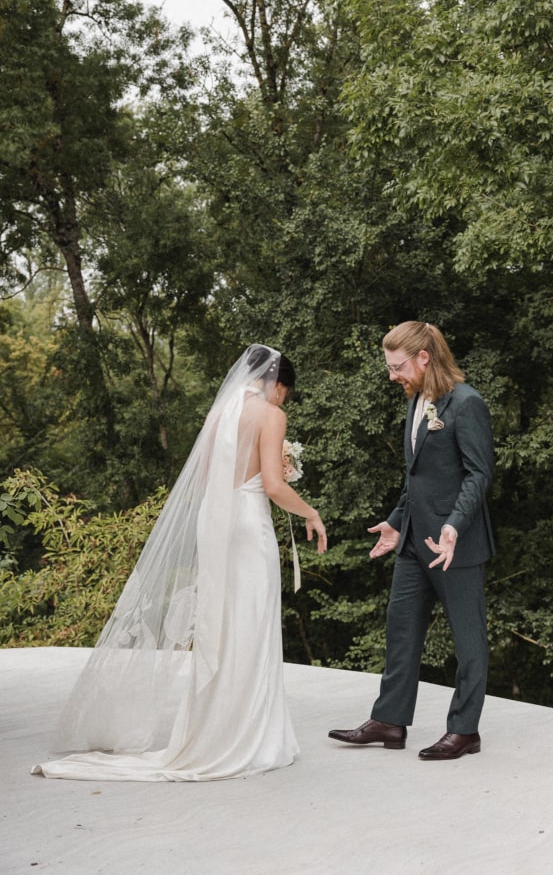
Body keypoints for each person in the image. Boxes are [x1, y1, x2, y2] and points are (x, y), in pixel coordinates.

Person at [32, 344, 327, 781]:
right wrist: (312, 513)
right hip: (247, 526)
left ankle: (213, 730)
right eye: (284, 392)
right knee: (251, 622)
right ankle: (254, 737)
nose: (282, 400)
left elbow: (209, 480)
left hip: (215, 522)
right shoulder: (270, 415)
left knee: (221, 627)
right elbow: (272, 485)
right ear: (277, 384)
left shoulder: (219, 415)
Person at [328, 321, 494, 760]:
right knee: (400, 627)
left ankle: (465, 730)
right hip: (414, 543)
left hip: (454, 544)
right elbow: (417, 477)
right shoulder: (418, 402)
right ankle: (389, 721)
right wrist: (396, 521)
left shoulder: (467, 403)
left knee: (468, 637)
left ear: (424, 358)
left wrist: (454, 526)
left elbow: (478, 475)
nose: (392, 375)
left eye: (397, 366)